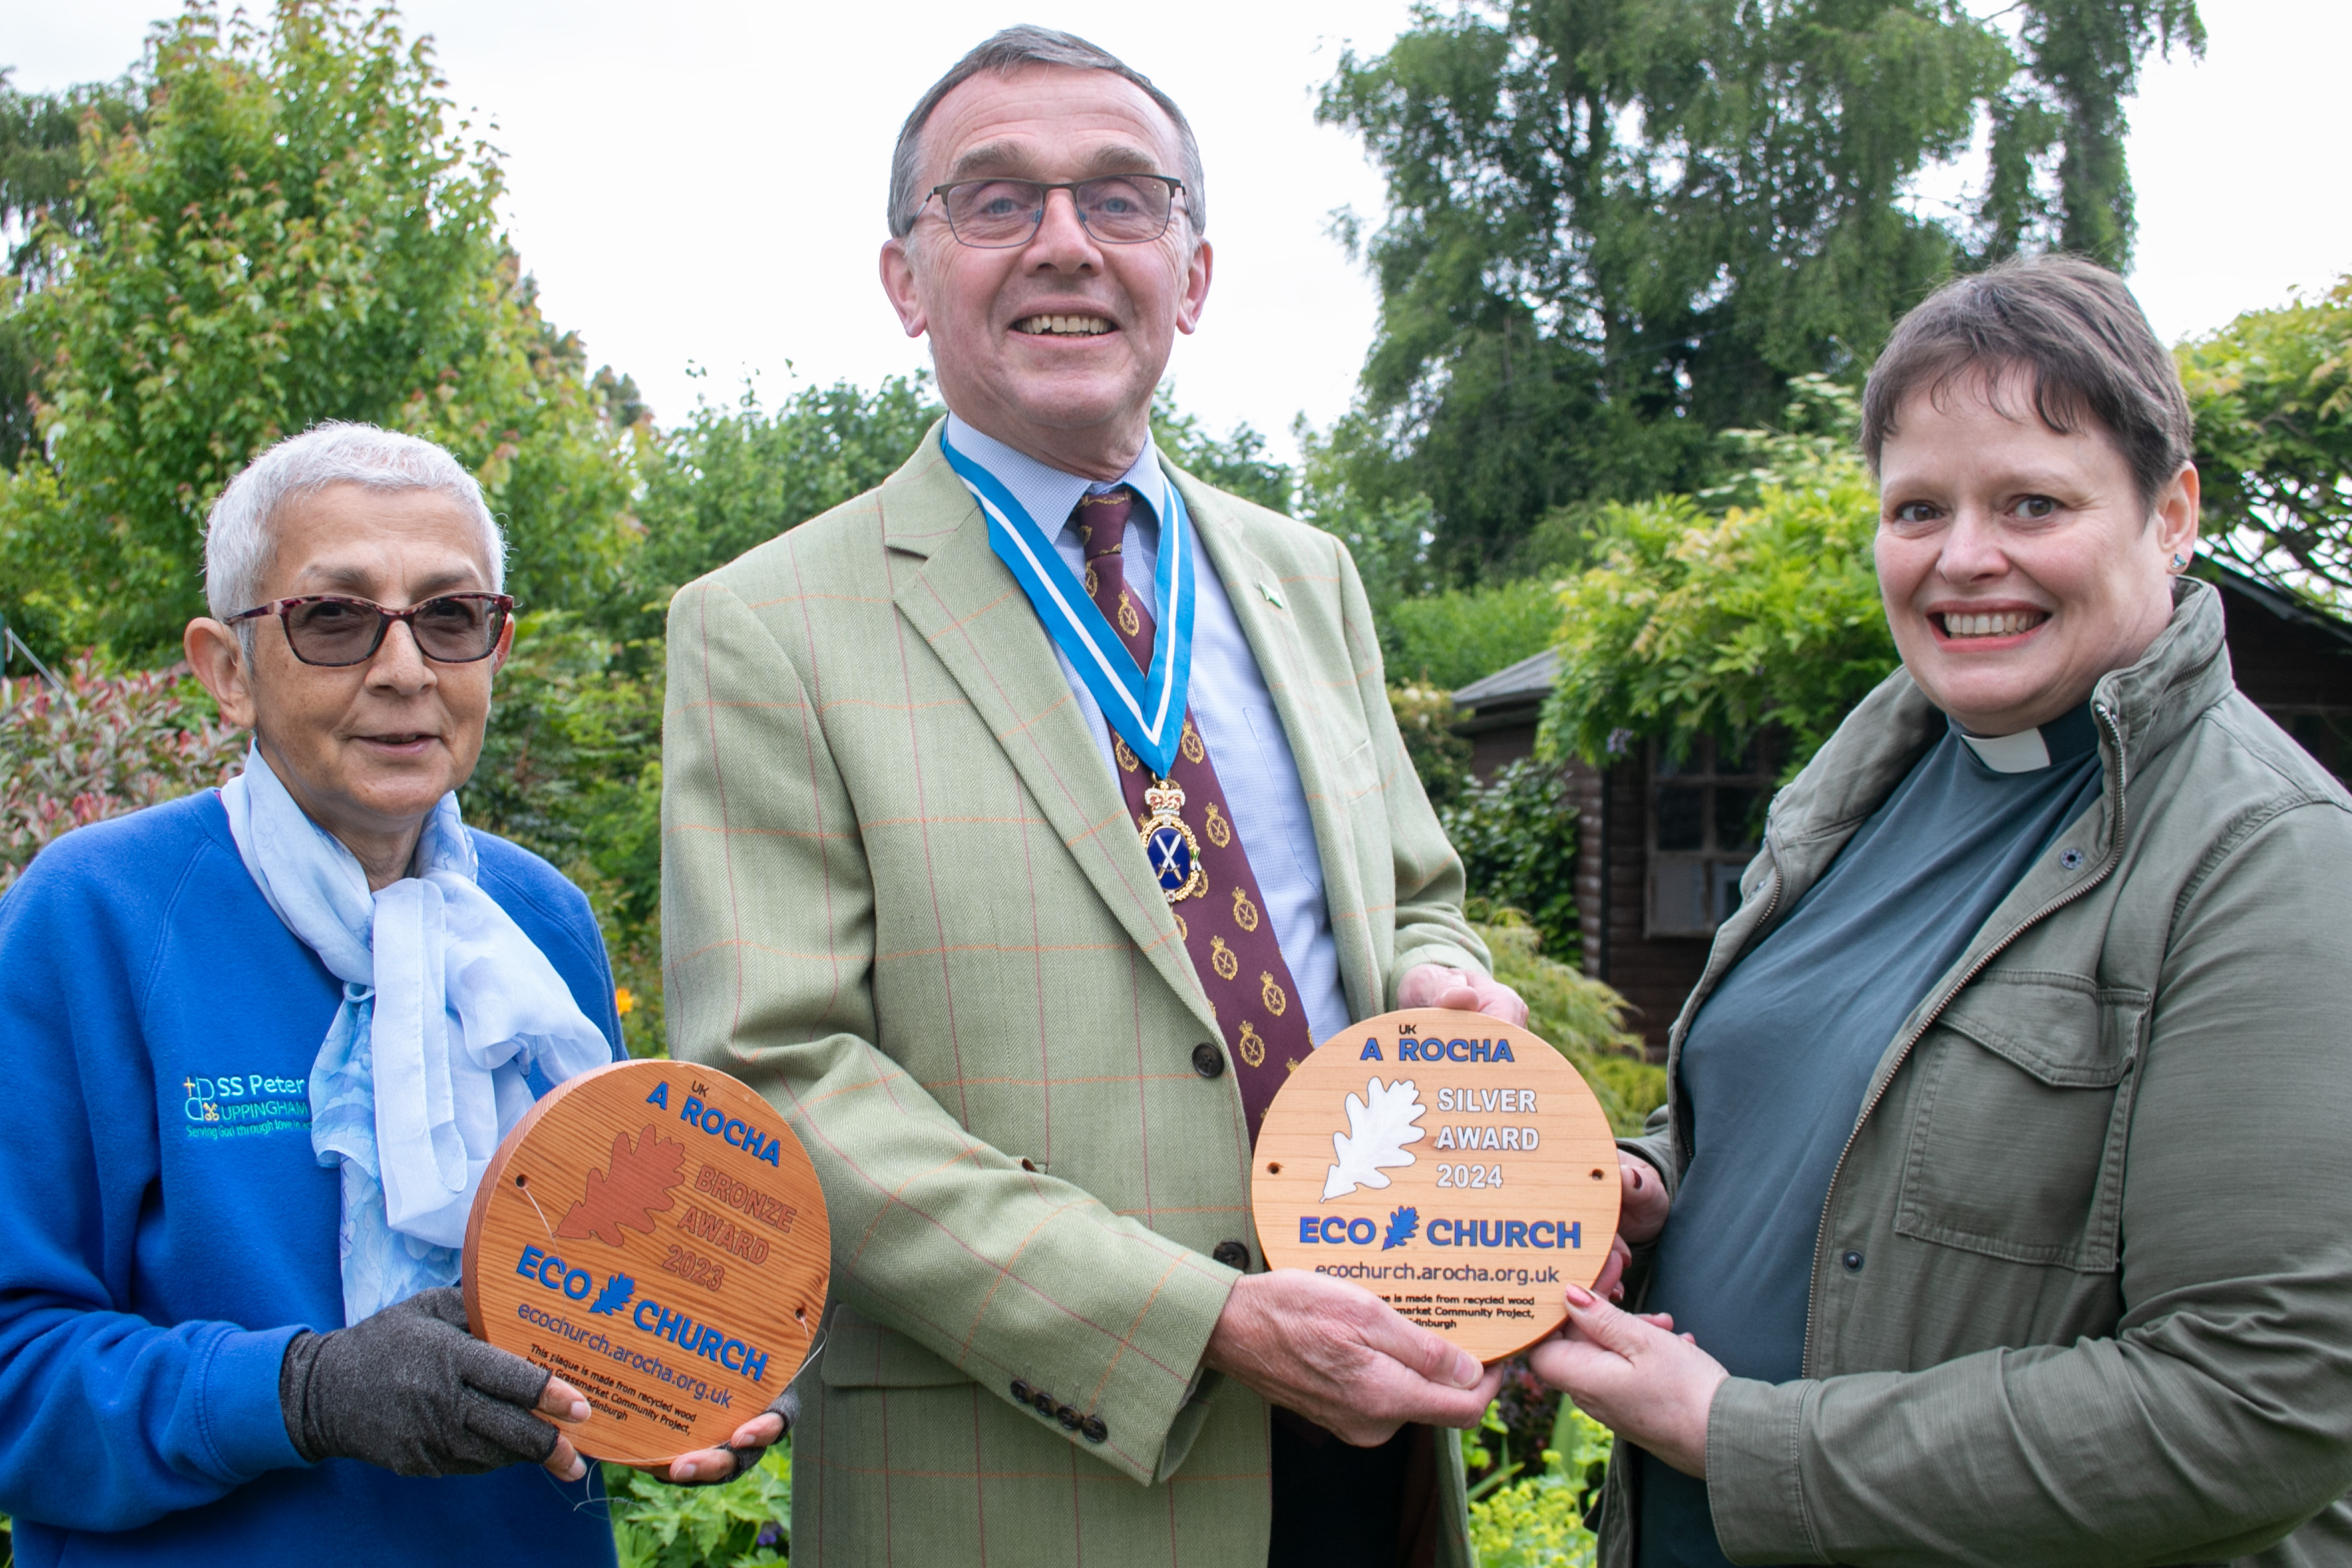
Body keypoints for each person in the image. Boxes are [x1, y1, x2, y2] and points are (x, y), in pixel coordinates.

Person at [660, 25, 1528, 1567]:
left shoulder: (1308, 575)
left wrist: (1439, 981)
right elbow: (780, 1073)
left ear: (1191, 273)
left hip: (1369, 1430)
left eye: (1121, 198)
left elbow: (1413, 898)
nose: (1065, 242)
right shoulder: (765, 624)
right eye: (996, 200)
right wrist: (1200, 1319)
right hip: (1025, 1469)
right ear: (905, 280)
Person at [1532, 254, 2352, 1567]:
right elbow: (1816, 1111)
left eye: (2033, 502)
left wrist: (1744, 1439)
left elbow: (2259, 1398)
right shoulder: (1859, 787)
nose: (1965, 558)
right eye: (1918, 509)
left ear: (2171, 514)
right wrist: (1644, 1181)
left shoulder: (2269, 858)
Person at [0, 424, 661, 1565]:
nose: (405, 668)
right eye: (336, 617)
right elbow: (17, 1370)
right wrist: (300, 1392)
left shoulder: (542, 924)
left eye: (451, 616)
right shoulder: (96, 913)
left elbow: (607, 1289)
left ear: (495, 649)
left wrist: (688, 1385)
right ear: (228, 667)